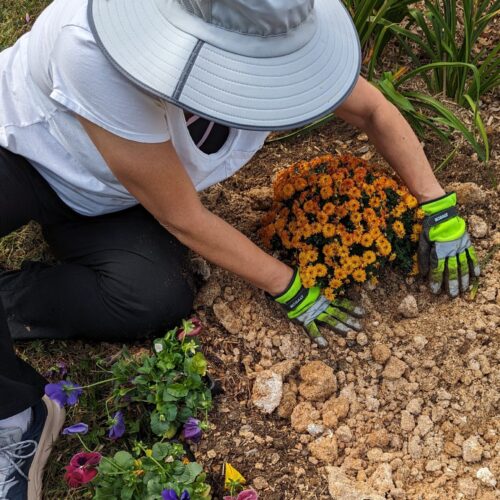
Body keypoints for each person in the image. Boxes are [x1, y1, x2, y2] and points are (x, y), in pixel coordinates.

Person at [0, 0, 480, 497]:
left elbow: (373, 109)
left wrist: (437, 206)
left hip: (119, 198)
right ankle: (15, 413)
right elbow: (183, 218)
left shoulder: (272, 35)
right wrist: (290, 286)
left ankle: (10, 296)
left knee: (151, 298)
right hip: (26, 154)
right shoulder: (90, 47)